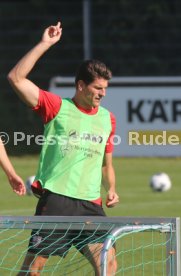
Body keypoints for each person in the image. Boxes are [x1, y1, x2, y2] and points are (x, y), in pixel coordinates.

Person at [7, 22, 119, 276]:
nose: (102, 94)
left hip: (91, 204)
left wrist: (111, 188)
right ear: (81, 85)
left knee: (109, 264)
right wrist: (45, 43)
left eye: (105, 89)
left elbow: (106, 164)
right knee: (33, 271)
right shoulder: (56, 107)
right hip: (57, 200)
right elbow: (15, 78)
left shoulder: (108, 119)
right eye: (97, 88)